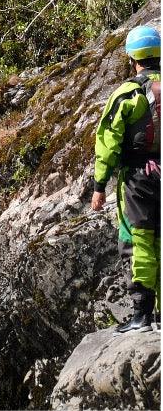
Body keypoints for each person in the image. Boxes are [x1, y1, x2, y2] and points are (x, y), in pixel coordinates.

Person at [91, 24, 161, 332]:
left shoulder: (127, 95)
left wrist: (98, 187)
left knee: (138, 241)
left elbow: (108, 143)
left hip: (138, 179)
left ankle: (142, 315)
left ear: (132, 58)